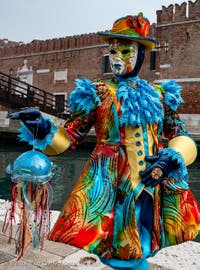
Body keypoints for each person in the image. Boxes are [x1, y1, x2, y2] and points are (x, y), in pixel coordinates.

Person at [9, 13, 199, 270]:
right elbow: (70, 137)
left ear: (141, 54)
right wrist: (42, 128)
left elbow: (179, 133)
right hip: (112, 183)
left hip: (154, 182)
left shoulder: (160, 95)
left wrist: (172, 157)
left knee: (146, 240)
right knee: (119, 250)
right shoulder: (97, 92)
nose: (117, 56)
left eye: (125, 50)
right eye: (113, 50)